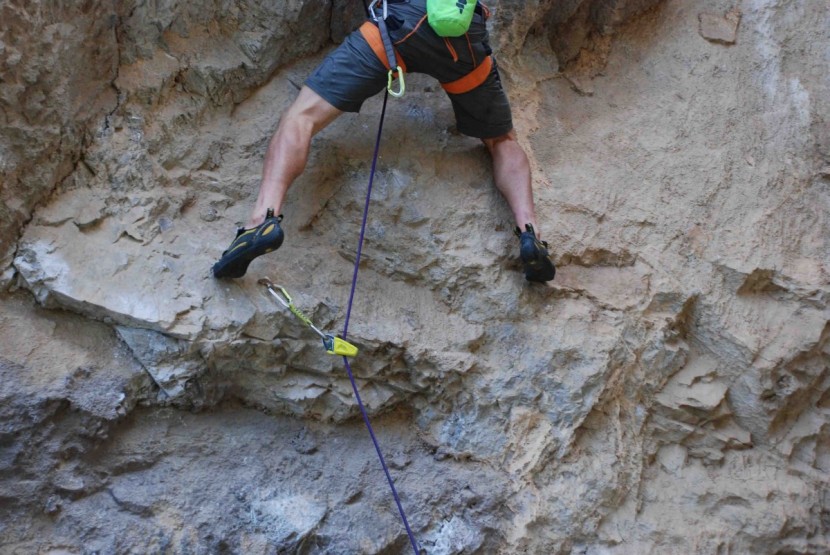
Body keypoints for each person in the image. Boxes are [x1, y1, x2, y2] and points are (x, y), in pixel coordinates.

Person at [211, 0, 555, 283]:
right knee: (499, 139)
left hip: (397, 27)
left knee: (301, 116)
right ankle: (529, 234)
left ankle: (262, 220)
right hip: (463, 35)